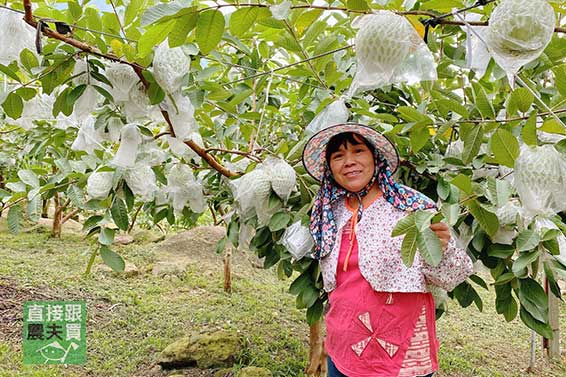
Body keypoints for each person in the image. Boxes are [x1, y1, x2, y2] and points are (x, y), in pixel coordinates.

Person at [302, 123, 474, 377]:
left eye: (358, 151)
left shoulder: (411, 206)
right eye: (338, 156)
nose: (349, 161)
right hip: (343, 342)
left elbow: (451, 277)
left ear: (375, 157)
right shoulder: (329, 212)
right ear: (330, 168)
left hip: (400, 349)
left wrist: (443, 247)